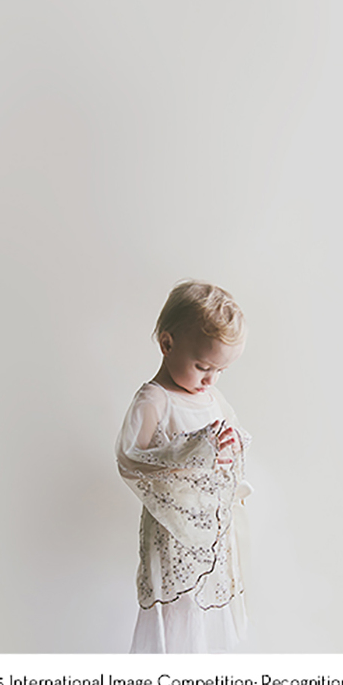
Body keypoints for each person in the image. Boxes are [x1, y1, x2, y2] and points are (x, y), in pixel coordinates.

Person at [116, 280, 252, 653]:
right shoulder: (155, 399)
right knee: (178, 607)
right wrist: (192, 451)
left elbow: (224, 437)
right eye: (203, 366)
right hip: (172, 531)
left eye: (220, 370)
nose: (211, 379)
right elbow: (132, 460)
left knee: (204, 605)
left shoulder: (211, 396)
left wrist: (229, 449)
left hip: (207, 526)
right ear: (167, 344)